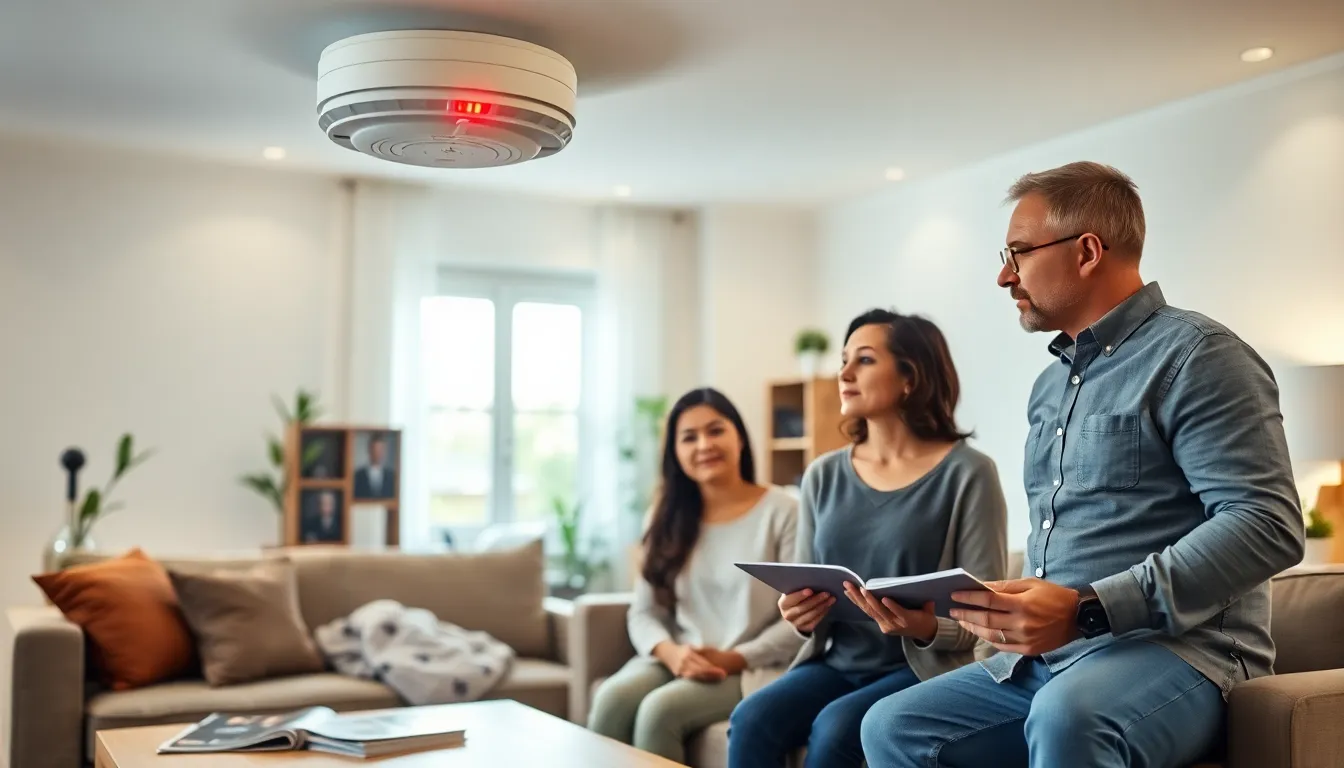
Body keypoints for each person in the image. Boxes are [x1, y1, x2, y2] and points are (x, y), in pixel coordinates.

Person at [860, 162, 1305, 768]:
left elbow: (1266, 523)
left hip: (1182, 654)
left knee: (1070, 714)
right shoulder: (1049, 387)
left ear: (1088, 251)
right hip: (1050, 661)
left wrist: (1087, 608)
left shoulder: (1200, 357)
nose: (1003, 275)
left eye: (1018, 253)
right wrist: (977, 608)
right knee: (891, 725)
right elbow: (1068, 551)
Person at [727, 310, 1008, 768]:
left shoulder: (969, 474)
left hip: (919, 670)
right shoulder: (822, 475)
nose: (844, 374)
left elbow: (987, 615)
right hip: (836, 663)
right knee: (751, 717)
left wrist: (921, 626)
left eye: (864, 360)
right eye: (842, 361)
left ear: (909, 379)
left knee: (837, 728)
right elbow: (807, 588)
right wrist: (799, 615)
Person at [587, 387, 803, 763]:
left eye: (715, 430)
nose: (704, 444)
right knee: (611, 699)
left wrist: (735, 657)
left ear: (739, 436)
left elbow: (801, 619)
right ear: (675, 452)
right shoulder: (665, 515)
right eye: (689, 437)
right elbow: (644, 612)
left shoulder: (784, 511)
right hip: (679, 654)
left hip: (752, 665)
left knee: (661, 712)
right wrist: (670, 653)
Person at [354, 433, 396, 499]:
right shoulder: (357, 476)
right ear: (369, 450)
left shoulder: (392, 476)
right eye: (375, 449)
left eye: (381, 449)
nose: (378, 453)